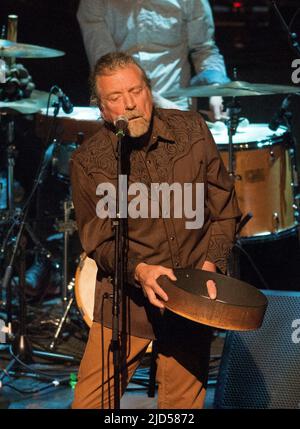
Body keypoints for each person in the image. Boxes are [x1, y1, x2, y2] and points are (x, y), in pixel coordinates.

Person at [70, 52, 241, 409]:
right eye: (115, 98)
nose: (129, 104)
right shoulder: (89, 161)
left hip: (189, 301)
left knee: (181, 409)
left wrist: (210, 266)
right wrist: (139, 270)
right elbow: (98, 242)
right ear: (101, 109)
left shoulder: (192, 130)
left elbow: (225, 212)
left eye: (136, 90)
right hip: (125, 302)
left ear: (149, 90)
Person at [76, 0, 230, 119]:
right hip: (119, 113)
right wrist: (157, 103)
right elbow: (108, 68)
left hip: (176, 106)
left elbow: (204, 49)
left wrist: (215, 90)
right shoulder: (94, 3)